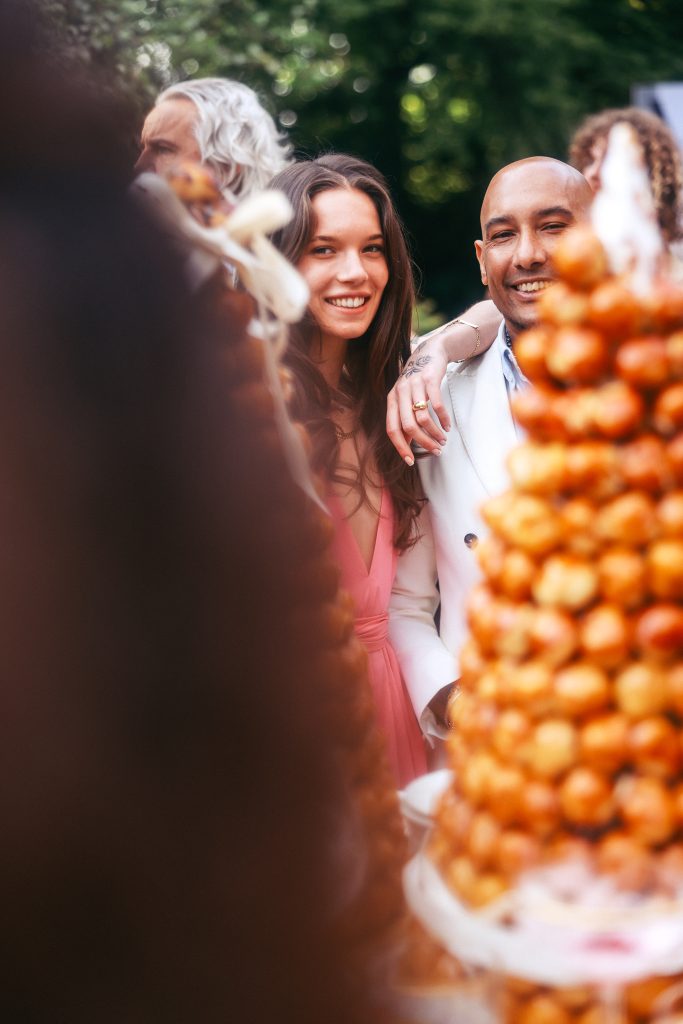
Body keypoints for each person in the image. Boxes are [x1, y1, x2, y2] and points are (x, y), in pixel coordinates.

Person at [269, 154, 492, 786]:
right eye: (323, 249)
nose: (355, 272)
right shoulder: (251, 408)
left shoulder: (389, 397)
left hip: (394, 709)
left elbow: (493, 312)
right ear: (278, 263)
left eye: (372, 249)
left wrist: (433, 355)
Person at [388, 158, 593, 738]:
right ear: (482, 261)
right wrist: (455, 704)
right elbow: (405, 605)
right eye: (504, 235)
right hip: (492, 770)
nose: (527, 254)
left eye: (555, 226)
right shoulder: (430, 397)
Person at [134, 76, 292, 202]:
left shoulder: (282, 240)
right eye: (143, 148)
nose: (139, 166)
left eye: (163, 149)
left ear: (228, 165)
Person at [569, 106, 683, 248]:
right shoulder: (573, 247)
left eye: (609, 161)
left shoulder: (674, 254)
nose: (593, 173)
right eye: (589, 162)